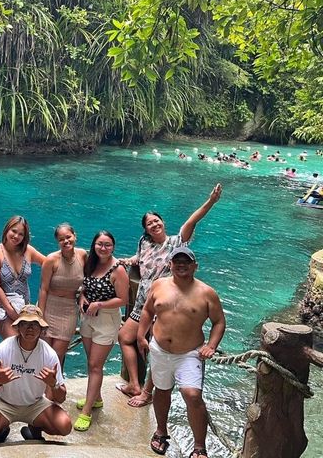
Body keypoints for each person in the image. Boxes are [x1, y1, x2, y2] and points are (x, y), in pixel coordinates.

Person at [117, 184, 222, 407]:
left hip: (163, 306)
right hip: (141, 303)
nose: (154, 225)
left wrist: (210, 201)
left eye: (157, 221)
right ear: (145, 229)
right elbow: (139, 260)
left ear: (163, 222)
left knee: (159, 350)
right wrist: (126, 261)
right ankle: (135, 384)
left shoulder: (176, 244)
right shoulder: (144, 243)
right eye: (149, 223)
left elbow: (192, 222)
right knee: (125, 337)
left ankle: (146, 392)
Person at [137, 246, 226, 458]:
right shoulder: (159, 285)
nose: (181, 265)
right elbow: (148, 310)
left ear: (195, 266)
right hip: (159, 348)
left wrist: (211, 345)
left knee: (192, 395)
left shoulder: (206, 293)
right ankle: (160, 431)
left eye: (186, 261)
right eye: (177, 261)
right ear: (170, 264)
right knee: (161, 389)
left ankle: (199, 447)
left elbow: (219, 322)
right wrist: (141, 335)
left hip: (190, 352)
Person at [0, 305, 72, 444]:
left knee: (65, 426)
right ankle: (0, 431)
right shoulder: (2, 350)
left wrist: (53, 384)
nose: (30, 328)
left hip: (35, 404)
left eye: (34, 324)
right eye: (25, 324)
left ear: (41, 329)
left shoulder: (49, 354)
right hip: (5, 404)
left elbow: (61, 398)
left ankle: (34, 428)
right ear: (18, 327)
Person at [73, 231, 128, 432]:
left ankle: (86, 411)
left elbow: (123, 299)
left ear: (113, 247)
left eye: (107, 245)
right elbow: (84, 287)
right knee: (91, 361)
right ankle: (96, 398)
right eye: (99, 244)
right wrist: (82, 298)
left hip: (106, 319)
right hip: (88, 317)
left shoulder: (118, 269)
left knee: (96, 365)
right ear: (94, 245)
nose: (103, 248)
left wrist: (100, 304)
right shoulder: (91, 263)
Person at [0, 216, 45, 339]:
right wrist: (11, 312)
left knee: (28, 343)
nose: (16, 236)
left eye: (21, 234)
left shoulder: (28, 250)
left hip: (24, 306)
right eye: (14, 231)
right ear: (7, 230)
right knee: (14, 341)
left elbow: (48, 264)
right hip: (1, 306)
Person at [37, 223, 87, 370]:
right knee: (44, 354)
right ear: (57, 242)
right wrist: (41, 316)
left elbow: (88, 279)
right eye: (61, 239)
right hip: (49, 307)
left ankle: (52, 391)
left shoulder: (82, 255)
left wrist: (83, 294)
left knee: (58, 355)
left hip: (69, 309)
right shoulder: (51, 259)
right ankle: (40, 391)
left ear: (74, 236)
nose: (66, 241)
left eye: (68, 237)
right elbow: (44, 289)